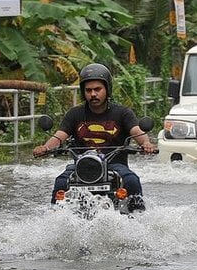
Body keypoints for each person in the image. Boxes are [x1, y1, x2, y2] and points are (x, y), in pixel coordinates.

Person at [33, 63, 157, 210]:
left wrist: (146, 144)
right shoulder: (75, 114)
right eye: (88, 90)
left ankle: (139, 217)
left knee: (132, 181)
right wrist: (46, 147)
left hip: (115, 165)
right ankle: (55, 218)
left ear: (107, 89)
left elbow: (137, 131)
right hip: (81, 166)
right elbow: (60, 135)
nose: (93, 94)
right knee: (61, 182)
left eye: (97, 89)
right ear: (83, 92)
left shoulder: (123, 113)